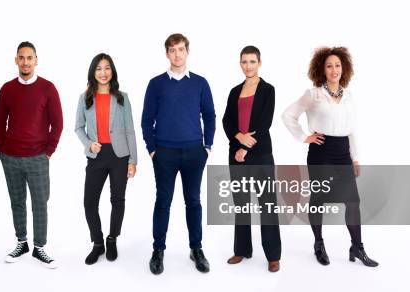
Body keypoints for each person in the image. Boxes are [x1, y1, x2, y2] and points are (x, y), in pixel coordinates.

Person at [282, 46, 378, 267]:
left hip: (343, 151)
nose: (334, 70)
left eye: (338, 65)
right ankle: (318, 244)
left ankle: (357, 247)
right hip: (321, 152)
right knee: (318, 201)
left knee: (353, 202)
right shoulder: (313, 94)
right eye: (329, 66)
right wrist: (304, 137)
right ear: (322, 69)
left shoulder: (349, 96)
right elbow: (288, 115)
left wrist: (355, 158)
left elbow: (352, 129)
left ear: (344, 68)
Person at [141, 33, 216, 275]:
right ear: (167, 54)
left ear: (187, 52)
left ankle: (196, 249)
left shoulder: (200, 83)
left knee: (193, 201)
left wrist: (207, 147)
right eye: (172, 50)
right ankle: (158, 250)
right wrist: (152, 150)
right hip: (164, 153)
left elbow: (210, 115)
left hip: (195, 152)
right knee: (163, 202)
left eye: (181, 49)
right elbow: (146, 121)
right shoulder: (156, 83)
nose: (177, 54)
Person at [0, 41, 63, 269]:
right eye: (21, 58)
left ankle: (39, 247)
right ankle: (21, 242)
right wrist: (1, 148)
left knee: (40, 203)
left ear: (36, 60)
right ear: (16, 60)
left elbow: (58, 123)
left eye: (29, 58)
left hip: (37, 158)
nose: (25, 62)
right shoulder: (7, 89)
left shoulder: (48, 88)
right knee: (17, 202)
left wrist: (48, 152)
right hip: (11, 157)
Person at [221, 45, 281, 272]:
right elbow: (227, 121)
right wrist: (238, 138)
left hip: (260, 155)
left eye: (252, 62)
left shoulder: (268, 90)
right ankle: (242, 250)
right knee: (241, 204)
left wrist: (245, 148)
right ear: (240, 64)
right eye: (244, 62)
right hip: (235, 154)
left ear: (260, 63)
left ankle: (273, 255)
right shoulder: (234, 91)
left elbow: (264, 124)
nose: (248, 66)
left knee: (267, 204)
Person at [74, 53, 138, 265]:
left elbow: (130, 130)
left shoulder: (122, 97)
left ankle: (112, 239)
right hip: (96, 155)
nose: (103, 72)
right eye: (99, 68)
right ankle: (98, 243)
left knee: (117, 200)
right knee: (89, 202)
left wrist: (133, 160)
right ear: (93, 72)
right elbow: (78, 127)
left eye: (107, 68)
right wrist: (88, 144)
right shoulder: (85, 98)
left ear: (112, 71)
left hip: (120, 156)